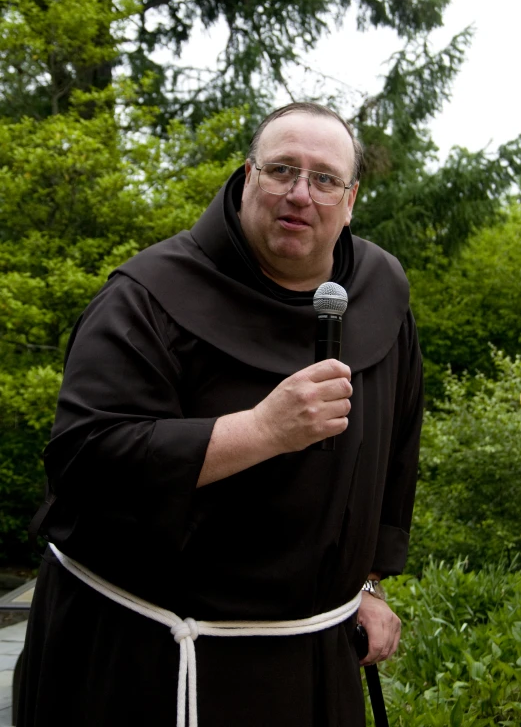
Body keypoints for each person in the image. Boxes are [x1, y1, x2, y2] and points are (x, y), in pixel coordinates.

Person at [18, 102, 423, 727]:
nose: (299, 194)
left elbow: (395, 455)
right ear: (247, 176)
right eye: (281, 169)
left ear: (351, 199)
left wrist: (368, 585)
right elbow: (84, 461)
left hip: (311, 657)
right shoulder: (147, 295)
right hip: (143, 659)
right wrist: (261, 431)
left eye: (323, 179)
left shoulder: (380, 293)